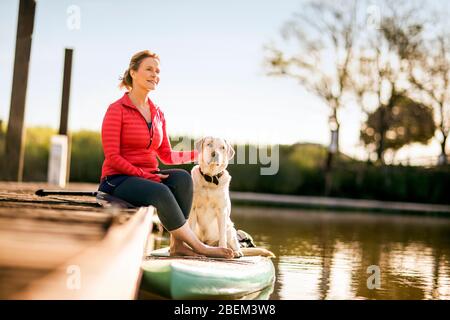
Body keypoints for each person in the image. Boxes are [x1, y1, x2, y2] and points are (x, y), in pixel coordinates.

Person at [99, 50, 233, 259]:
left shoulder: (158, 113)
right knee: (161, 191)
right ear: (133, 73)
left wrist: (200, 154)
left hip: (147, 177)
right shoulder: (117, 110)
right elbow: (112, 157)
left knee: (182, 179)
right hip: (117, 180)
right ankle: (199, 246)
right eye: (149, 69)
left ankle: (177, 244)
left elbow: (167, 155)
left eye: (157, 71)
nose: (155, 75)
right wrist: (144, 175)